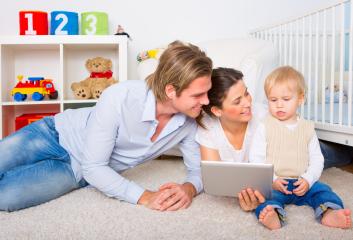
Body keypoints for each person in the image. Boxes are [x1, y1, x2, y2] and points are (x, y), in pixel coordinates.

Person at [0, 41, 213, 212]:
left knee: (6, 198)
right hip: (53, 134)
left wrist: (189, 188)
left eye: (207, 92)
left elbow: (198, 170)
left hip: (75, 170)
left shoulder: (189, 121)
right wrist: (145, 196)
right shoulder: (121, 96)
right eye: (198, 95)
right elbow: (95, 166)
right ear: (170, 91)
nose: (205, 101)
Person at [249, 66, 351, 230]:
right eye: (273, 100)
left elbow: (317, 159)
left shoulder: (307, 128)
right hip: (276, 183)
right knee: (262, 197)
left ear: (300, 99)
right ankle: (273, 215)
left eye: (286, 99)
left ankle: (329, 212)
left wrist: (308, 179)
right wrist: (272, 180)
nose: (279, 105)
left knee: (324, 191)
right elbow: (256, 158)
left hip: (302, 182)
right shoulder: (264, 127)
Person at [195, 67, 268, 211]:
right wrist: (247, 195)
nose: (247, 103)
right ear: (217, 111)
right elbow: (215, 180)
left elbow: (280, 165)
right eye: (237, 101)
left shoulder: (264, 116)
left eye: (246, 93)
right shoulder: (208, 126)